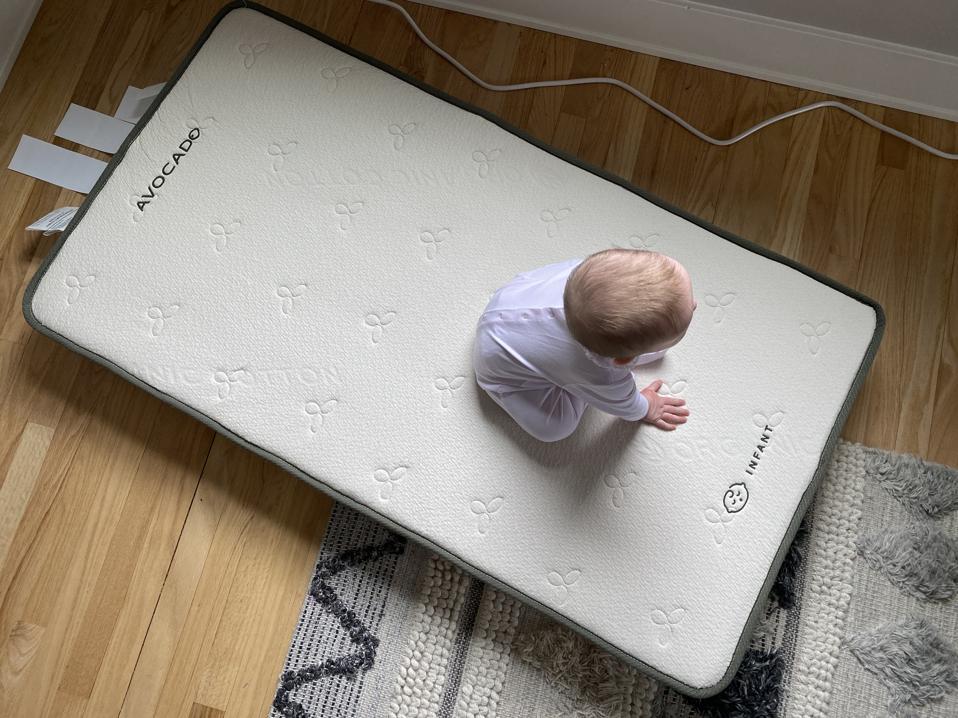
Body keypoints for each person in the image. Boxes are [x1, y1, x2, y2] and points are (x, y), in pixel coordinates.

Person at [473, 248, 696, 442]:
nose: (695, 304)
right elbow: (625, 404)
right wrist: (647, 406)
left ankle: (574, 378)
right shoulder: (604, 375)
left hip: (509, 299)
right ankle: (574, 385)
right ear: (620, 362)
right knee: (555, 428)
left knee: (654, 346)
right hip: (500, 372)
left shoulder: (584, 273)